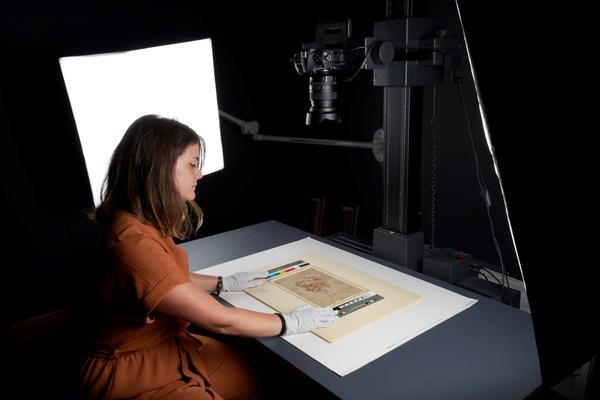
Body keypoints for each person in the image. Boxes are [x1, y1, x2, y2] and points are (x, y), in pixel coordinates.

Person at [78, 114, 338, 399]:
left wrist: (223, 282)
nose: (200, 174)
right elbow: (221, 320)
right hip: (128, 372)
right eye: (192, 164)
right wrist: (290, 322)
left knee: (261, 373)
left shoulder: (139, 221)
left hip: (166, 346)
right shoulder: (132, 243)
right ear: (160, 166)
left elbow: (167, 281)